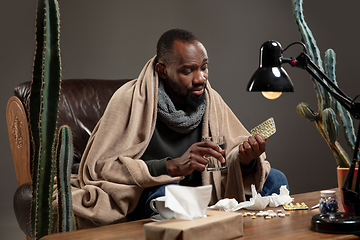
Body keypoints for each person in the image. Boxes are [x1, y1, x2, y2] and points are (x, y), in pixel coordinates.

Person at [67, 28, 288, 229]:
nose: (201, 78)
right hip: (156, 190)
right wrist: (170, 166)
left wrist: (245, 160)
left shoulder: (211, 100)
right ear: (163, 71)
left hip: (208, 190)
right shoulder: (130, 99)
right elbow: (101, 166)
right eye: (188, 71)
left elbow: (230, 156)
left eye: (204, 67)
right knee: (166, 198)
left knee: (276, 179)